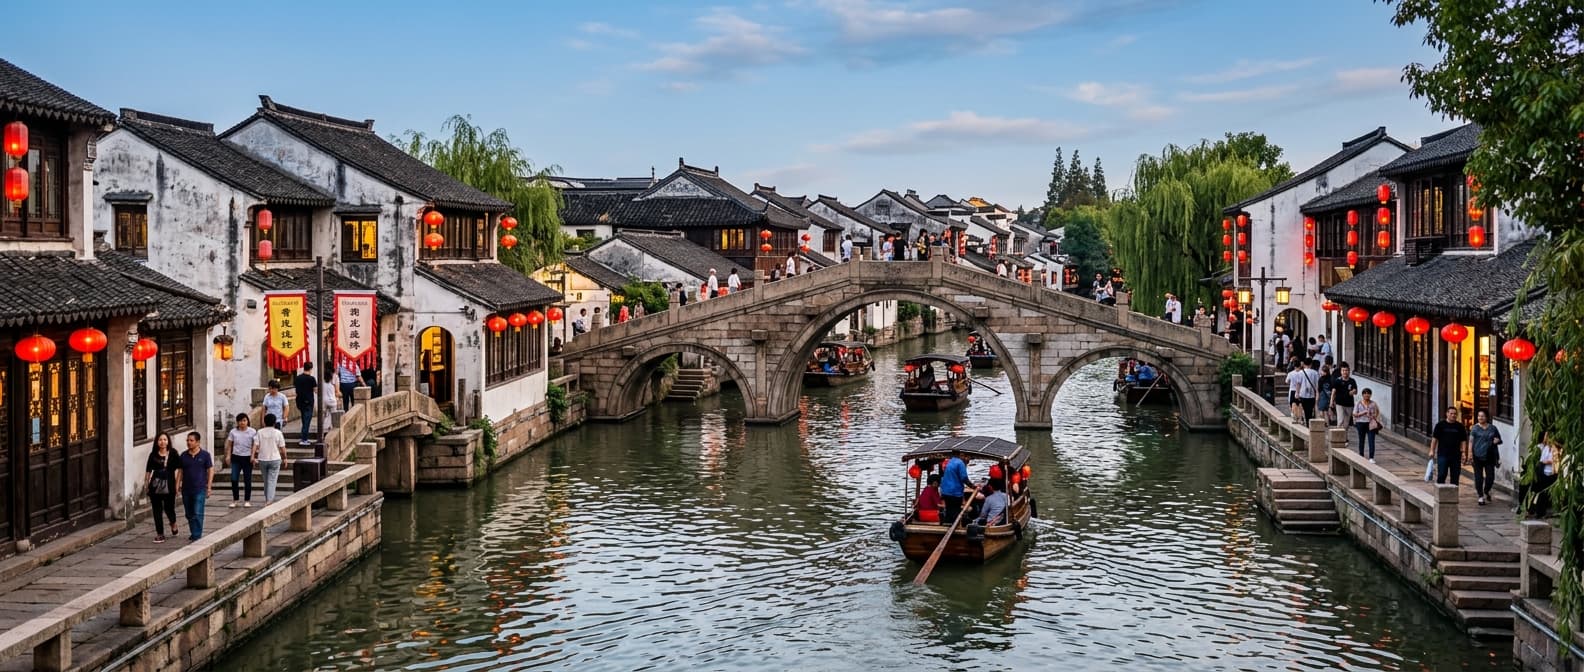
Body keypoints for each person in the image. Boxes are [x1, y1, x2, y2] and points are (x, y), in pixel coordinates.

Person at [175, 431, 214, 541]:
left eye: (191, 440)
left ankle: (197, 535)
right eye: (187, 440)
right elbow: (180, 472)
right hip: (186, 489)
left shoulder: (205, 455)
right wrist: (177, 486)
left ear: (198, 442)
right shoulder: (183, 455)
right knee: (189, 513)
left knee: (198, 512)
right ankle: (194, 532)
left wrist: (209, 486)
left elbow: (210, 470)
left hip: (200, 488)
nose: (188, 442)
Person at [144, 432, 180, 542]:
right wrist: (146, 483)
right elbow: (148, 470)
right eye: (160, 440)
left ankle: (173, 523)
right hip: (155, 484)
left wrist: (178, 484)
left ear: (168, 441)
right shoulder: (153, 454)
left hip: (169, 484)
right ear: (157, 442)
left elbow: (180, 469)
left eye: (164, 439)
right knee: (156, 510)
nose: (162, 442)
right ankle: (160, 533)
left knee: (169, 508)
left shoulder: (173, 453)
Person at [1469, 410, 1503, 505]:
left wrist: (1497, 441)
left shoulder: (1493, 428)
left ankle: (1486, 490)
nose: (1480, 418)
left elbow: (1499, 439)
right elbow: (1471, 441)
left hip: (1490, 456)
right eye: (1479, 416)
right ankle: (1480, 496)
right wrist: (1470, 453)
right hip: (1477, 456)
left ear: (1487, 417)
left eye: (1482, 416)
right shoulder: (1474, 428)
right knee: (1478, 477)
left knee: (1490, 477)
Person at [225, 413, 257, 508]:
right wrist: (228, 456)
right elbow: (230, 445)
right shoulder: (233, 432)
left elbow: (254, 445)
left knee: (247, 479)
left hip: (247, 458)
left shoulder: (252, 431)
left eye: (244, 420)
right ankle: (235, 499)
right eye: (240, 421)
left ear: (247, 421)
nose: (242, 423)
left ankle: (247, 500)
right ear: (237, 422)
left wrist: (253, 456)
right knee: (234, 478)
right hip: (236, 457)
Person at [1430, 406, 1468, 485]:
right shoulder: (1440, 425)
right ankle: (1440, 491)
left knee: (1455, 476)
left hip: (1456, 455)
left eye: (1455, 414)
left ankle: (1453, 493)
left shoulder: (1460, 426)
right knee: (1442, 474)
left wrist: (1464, 452)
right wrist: (1432, 450)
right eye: (1451, 413)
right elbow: (1434, 439)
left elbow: (1463, 440)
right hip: (1443, 454)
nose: (1453, 415)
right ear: (1447, 414)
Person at [255, 413, 288, 504]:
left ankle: (267, 498)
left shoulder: (260, 432)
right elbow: (282, 448)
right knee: (272, 480)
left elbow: (256, 445)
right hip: (275, 458)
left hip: (262, 458)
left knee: (266, 480)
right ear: (274, 423)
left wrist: (254, 456)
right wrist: (285, 458)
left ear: (264, 422)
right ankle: (269, 500)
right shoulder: (278, 433)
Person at [940, 450, 972, 525]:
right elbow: (964, 478)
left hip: (945, 491)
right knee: (955, 510)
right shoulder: (960, 463)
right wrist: (972, 486)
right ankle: (955, 525)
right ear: (960, 455)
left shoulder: (950, 462)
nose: (964, 457)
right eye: (963, 456)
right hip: (955, 492)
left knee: (949, 509)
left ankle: (947, 523)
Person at [1533, 434, 1560, 518]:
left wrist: (1546, 461)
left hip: (1551, 474)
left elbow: (1555, 461)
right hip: (1543, 472)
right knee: (1541, 492)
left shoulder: (1556, 449)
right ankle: (1539, 511)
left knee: (1545, 493)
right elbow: (1541, 459)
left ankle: (1542, 511)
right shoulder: (1545, 448)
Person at [1352, 388, 1382, 461]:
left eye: (1368, 393)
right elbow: (1354, 414)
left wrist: (1372, 416)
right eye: (1365, 393)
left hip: (1370, 424)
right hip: (1360, 423)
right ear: (1362, 395)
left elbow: (1377, 413)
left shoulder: (1373, 404)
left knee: (1371, 440)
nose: (1366, 395)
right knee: (1361, 440)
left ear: (1370, 395)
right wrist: (1363, 413)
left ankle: (1371, 457)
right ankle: (1361, 455)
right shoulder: (1358, 403)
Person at [293, 362, 317, 445]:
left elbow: (296, 389)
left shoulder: (298, 378)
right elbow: (315, 390)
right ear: (311, 368)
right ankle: (304, 439)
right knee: (307, 420)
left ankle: (304, 437)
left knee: (304, 419)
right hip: (308, 401)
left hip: (299, 401)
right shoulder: (311, 379)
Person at [1330, 364, 1359, 429]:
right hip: (1340, 403)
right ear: (1341, 372)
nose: (1345, 372)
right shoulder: (1338, 380)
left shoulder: (1352, 381)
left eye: (1346, 370)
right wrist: (1331, 401)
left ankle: (1344, 437)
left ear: (1349, 371)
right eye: (1343, 370)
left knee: (1346, 423)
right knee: (1340, 421)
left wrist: (1353, 391)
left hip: (1349, 404)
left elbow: (1356, 391)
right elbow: (1333, 391)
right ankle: (1338, 437)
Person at [1293, 359, 1320, 423]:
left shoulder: (1300, 373)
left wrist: (1297, 393)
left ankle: (1306, 422)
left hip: (1303, 394)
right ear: (1311, 364)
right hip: (1312, 394)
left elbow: (1298, 384)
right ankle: (1309, 422)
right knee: (1310, 411)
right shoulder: (1315, 373)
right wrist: (1317, 394)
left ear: (1304, 364)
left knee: (1304, 409)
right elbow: (1317, 385)